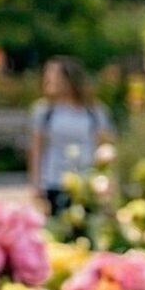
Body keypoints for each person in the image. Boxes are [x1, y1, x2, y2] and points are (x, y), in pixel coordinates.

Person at [27, 57, 114, 214]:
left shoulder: (94, 111)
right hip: (54, 181)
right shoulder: (44, 111)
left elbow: (104, 148)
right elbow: (37, 149)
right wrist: (36, 185)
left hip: (87, 182)